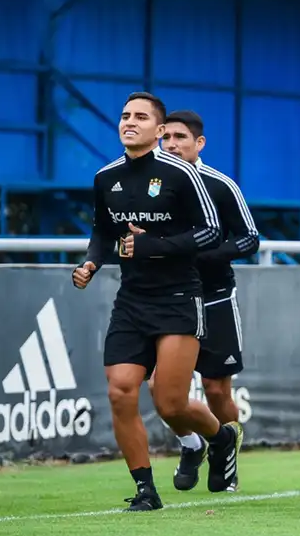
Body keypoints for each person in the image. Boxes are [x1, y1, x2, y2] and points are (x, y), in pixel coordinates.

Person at [72, 92, 242, 511]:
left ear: (159, 129)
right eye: (125, 115)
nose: (129, 122)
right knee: (120, 392)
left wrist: (155, 247)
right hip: (132, 300)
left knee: (169, 401)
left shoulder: (182, 174)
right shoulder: (105, 178)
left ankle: (221, 437)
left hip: (179, 297)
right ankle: (146, 489)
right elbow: (103, 234)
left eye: (141, 117)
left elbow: (211, 233)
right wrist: (91, 263)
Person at [151, 109, 260, 494]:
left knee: (216, 389)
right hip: (168, 299)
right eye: (168, 138)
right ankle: (191, 442)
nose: (172, 145)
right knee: (158, 389)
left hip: (213, 298)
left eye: (181, 138)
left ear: (199, 144)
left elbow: (250, 239)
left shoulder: (220, 185)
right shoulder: (152, 184)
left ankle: (226, 456)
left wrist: (201, 256)